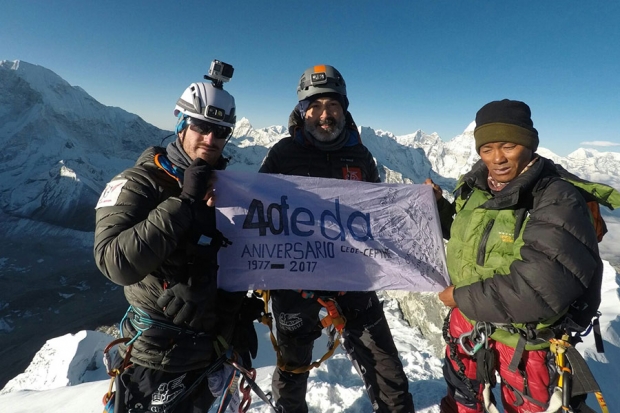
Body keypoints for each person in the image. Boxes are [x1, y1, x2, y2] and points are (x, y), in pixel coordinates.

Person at [427, 99, 607, 413]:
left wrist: (461, 296)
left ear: (528, 144)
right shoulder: (477, 189)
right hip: (470, 324)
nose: (497, 158)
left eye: (509, 145)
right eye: (487, 149)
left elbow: (540, 286)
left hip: (526, 341)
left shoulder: (555, 198)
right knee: (462, 401)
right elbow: (469, 238)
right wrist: (437, 209)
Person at [94, 78, 261, 412]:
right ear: (182, 123)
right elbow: (113, 261)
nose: (211, 139)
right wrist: (184, 202)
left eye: (222, 132)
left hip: (213, 353)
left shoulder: (226, 188)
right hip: (155, 361)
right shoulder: (138, 182)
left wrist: (235, 313)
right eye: (201, 126)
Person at [259, 64, 415, 413]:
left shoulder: (360, 156)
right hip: (296, 281)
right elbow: (257, 214)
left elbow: (378, 212)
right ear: (302, 111)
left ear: (344, 109)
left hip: (353, 277)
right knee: (292, 367)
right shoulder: (282, 155)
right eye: (314, 106)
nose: (324, 114)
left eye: (332, 104)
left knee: (385, 367)